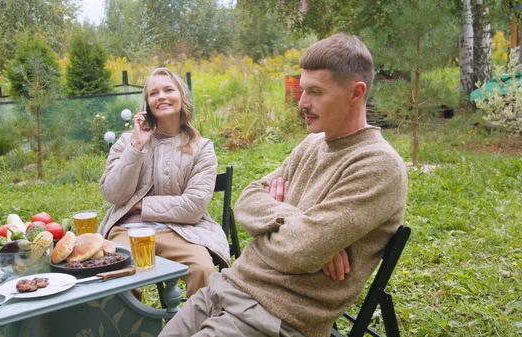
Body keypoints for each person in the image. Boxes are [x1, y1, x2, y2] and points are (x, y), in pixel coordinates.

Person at [158, 33, 408, 337]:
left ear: (355, 93)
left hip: (275, 316)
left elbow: (303, 249)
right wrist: (292, 216)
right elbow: (246, 200)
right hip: (227, 287)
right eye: (303, 90)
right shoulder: (313, 144)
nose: (302, 102)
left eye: (315, 92)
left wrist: (287, 232)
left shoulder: (377, 166)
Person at [98, 67, 230, 298]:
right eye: (154, 93)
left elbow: (193, 208)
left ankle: (201, 331)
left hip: (180, 231)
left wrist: (139, 205)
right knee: (119, 277)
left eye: (169, 90)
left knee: (204, 270)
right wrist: (136, 148)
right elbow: (113, 194)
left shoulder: (202, 147)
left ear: (182, 97)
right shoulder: (127, 142)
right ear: (147, 104)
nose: (162, 96)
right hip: (127, 230)